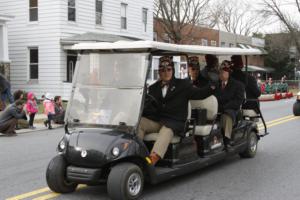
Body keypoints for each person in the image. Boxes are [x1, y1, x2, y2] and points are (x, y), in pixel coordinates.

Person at [138, 56, 215, 165]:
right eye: (163, 70)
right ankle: (135, 153)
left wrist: (212, 86)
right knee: (140, 122)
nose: (166, 73)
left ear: (173, 70)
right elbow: (148, 106)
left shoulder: (182, 85)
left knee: (167, 130)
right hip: (158, 120)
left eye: (169, 69)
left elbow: (199, 94)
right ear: (159, 72)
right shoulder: (153, 88)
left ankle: (150, 161)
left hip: (175, 123)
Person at [214, 60, 245, 148]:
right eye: (220, 72)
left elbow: (238, 101)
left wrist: (224, 107)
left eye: (223, 72)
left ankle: (227, 139)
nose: (221, 74)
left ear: (228, 73)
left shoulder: (238, 85)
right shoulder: (216, 85)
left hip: (232, 109)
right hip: (217, 109)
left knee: (226, 116)